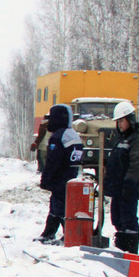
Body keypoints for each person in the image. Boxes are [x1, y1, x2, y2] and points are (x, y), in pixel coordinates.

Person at [103, 100, 139, 254]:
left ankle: (130, 251)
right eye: (117, 122)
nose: (119, 125)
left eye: (121, 121)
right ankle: (121, 248)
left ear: (129, 119)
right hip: (118, 187)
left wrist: (129, 183)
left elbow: (137, 164)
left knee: (128, 219)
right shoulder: (123, 137)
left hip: (129, 187)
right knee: (117, 219)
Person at [36, 104, 84, 243]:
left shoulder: (58, 136)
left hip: (59, 178)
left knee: (59, 205)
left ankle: (67, 234)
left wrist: (46, 179)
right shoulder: (73, 135)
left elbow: (52, 161)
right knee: (62, 204)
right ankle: (50, 232)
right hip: (72, 176)